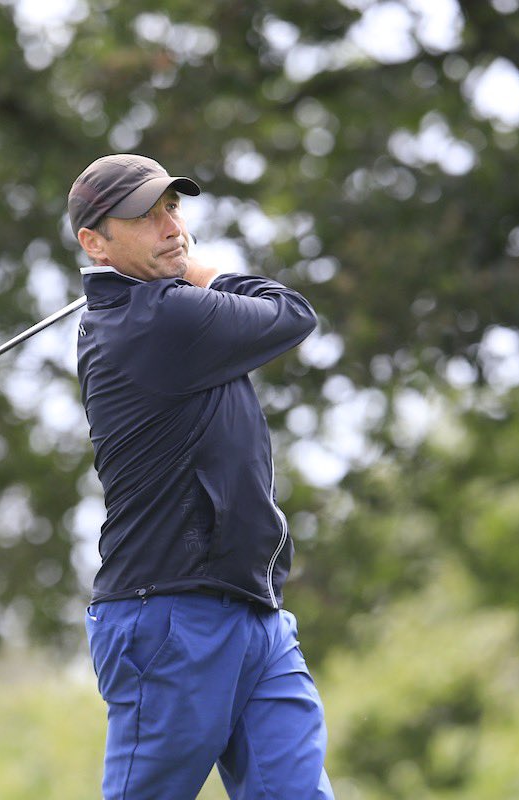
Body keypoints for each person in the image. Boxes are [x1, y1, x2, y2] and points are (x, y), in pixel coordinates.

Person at [69, 153, 335, 800]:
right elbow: (291, 312)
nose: (171, 227)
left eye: (172, 208)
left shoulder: (161, 310)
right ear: (95, 243)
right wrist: (199, 269)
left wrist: (177, 270)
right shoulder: (153, 321)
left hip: (254, 611)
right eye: (145, 217)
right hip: (168, 615)